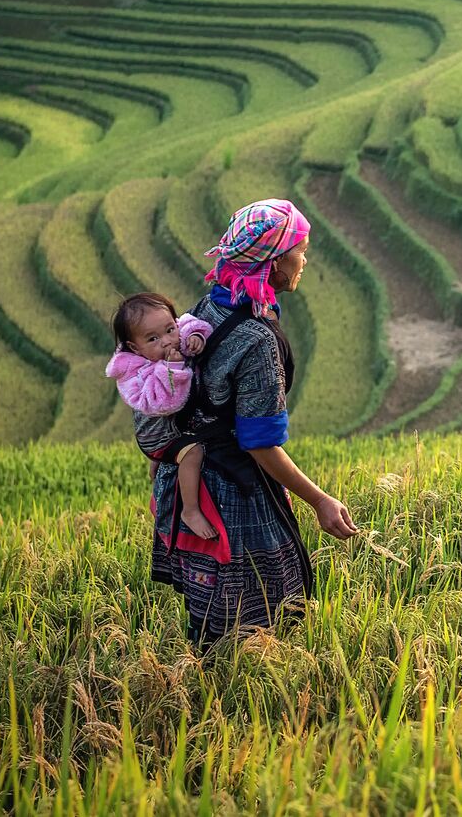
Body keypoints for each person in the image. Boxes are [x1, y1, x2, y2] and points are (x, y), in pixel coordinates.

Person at [142, 197, 360, 648]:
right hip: (231, 492)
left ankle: (206, 691)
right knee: (265, 614)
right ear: (276, 262)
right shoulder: (258, 340)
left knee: (210, 617)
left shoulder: (208, 307)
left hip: (190, 480)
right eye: (300, 249)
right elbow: (259, 443)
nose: (305, 258)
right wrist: (320, 500)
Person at [105, 292, 218, 540]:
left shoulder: (175, 335)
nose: (167, 341)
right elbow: (165, 405)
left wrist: (196, 336)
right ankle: (191, 510)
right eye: (153, 339)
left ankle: (164, 459)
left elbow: (189, 324)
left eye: (169, 330)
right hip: (157, 433)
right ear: (135, 348)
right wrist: (173, 369)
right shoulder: (132, 373)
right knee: (194, 451)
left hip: (172, 425)